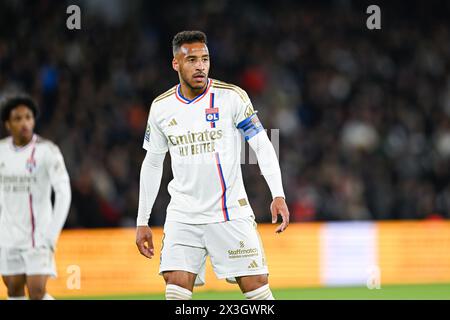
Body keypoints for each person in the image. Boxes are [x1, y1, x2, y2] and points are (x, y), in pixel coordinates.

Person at [136, 31, 289, 300]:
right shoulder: (161, 108)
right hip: (183, 215)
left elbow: (262, 145)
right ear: (176, 64)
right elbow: (152, 163)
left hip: (229, 211)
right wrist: (142, 220)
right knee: (176, 285)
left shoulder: (232, 97)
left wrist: (278, 193)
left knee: (257, 286)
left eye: (205, 59)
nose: (200, 66)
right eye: (192, 59)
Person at [0, 94, 71, 300]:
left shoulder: (47, 151)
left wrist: (51, 234)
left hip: (38, 236)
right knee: (13, 289)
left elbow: (63, 192)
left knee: (37, 291)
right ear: (8, 124)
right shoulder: (2, 152)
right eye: (18, 118)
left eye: (28, 117)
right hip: (8, 237)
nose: (24, 123)